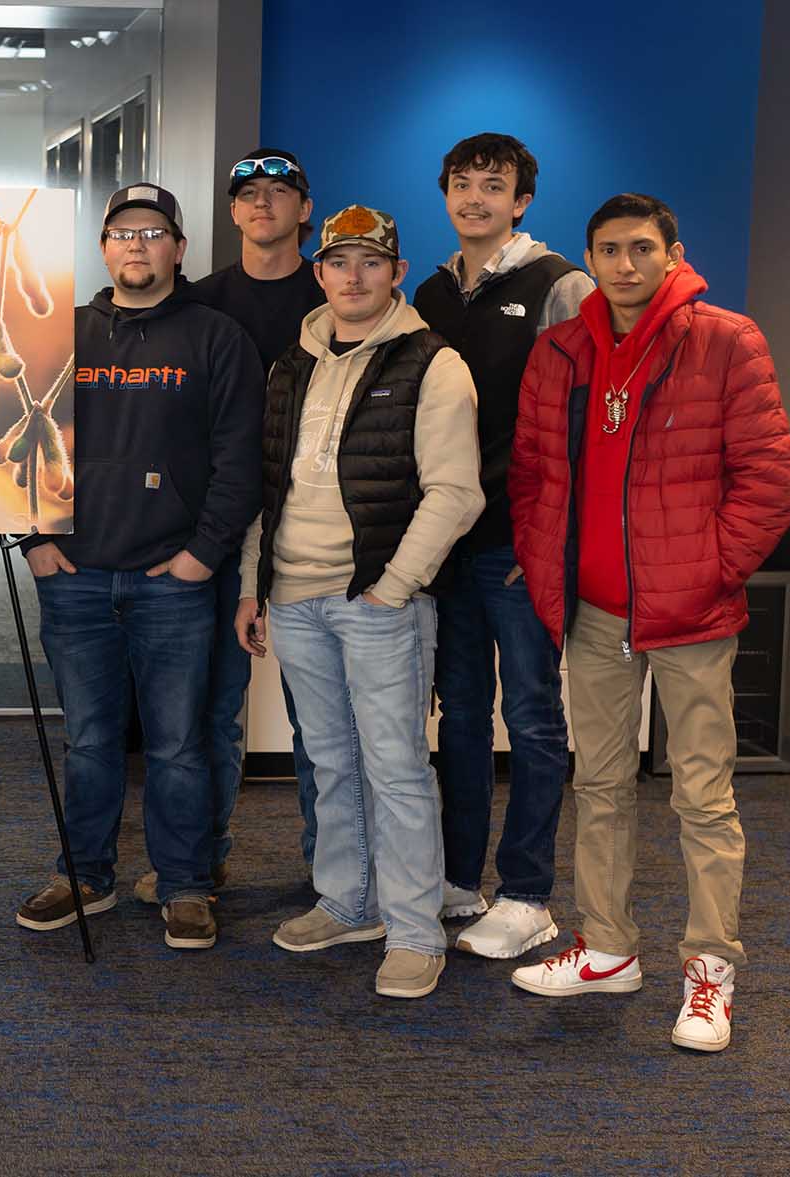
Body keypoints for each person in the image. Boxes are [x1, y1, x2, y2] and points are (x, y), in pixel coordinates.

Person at [508, 194, 790, 1053]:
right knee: (597, 786)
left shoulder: (726, 340)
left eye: (641, 248)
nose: (625, 264)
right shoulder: (561, 349)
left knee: (702, 796)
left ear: (674, 253)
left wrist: (709, 570)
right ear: (588, 258)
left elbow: (766, 479)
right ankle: (608, 946)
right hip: (593, 613)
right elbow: (528, 474)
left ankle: (710, 970)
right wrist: (542, 561)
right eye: (608, 249)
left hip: (690, 613)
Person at [234, 206, 484, 999]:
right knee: (330, 760)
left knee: (396, 768)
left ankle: (414, 932)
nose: (354, 277)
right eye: (340, 263)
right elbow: (267, 487)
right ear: (320, 273)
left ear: (396, 273)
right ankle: (349, 901)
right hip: (296, 595)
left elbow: (456, 492)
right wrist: (255, 584)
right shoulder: (290, 364)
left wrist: (394, 586)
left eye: (370, 263)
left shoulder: (433, 363)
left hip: (378, 601)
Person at [12, 184, 264, 952]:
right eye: (123, 233)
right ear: (104, 248)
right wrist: (35, 541)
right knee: (87, 739)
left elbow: (240, 460)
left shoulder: (217, 338)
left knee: (178, 743)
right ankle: (84, 872)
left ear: (179, 249)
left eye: (153, 234)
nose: (136, 246)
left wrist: (201, 557)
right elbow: (18, 437)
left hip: (172, 581)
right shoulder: (63, 335)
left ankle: (185, 883)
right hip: (77, 576)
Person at [411, 133, 595, 957]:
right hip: (448, 541)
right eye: (462, 183)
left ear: (521, 200)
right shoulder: (429, 292)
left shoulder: (561, 287)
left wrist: (554, 532)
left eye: (495, 185)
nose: (476, 196)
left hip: (521, 544)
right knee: (456, 720)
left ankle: (527, 893)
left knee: (531, 715)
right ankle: (458, 880)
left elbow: (590, 424)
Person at [181, 146, 325, 886]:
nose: (262, 202)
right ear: (232, 211)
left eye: (279, 190)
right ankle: (201, 862)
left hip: (320, 530)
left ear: (306, 208)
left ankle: (330, 874)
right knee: (213, 708)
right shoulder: (201, 303)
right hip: (221, 521)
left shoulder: (338, 297)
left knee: (321, 721)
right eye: (248, 193)